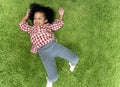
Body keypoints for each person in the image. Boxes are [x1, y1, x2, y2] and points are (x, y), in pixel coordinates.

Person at [18, 3, 79, 87]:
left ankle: (72, 64)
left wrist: (61, 15)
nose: (36, 20)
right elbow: (21, 25)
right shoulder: (31, 29)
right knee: (54, 77)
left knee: (75, 59)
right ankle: (49, 80)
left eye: (40, 18)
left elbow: (57, 25)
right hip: (43, 52)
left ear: (45, 20)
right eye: (35, 18)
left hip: (53, 46)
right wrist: (26, 16)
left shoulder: (47, 26)